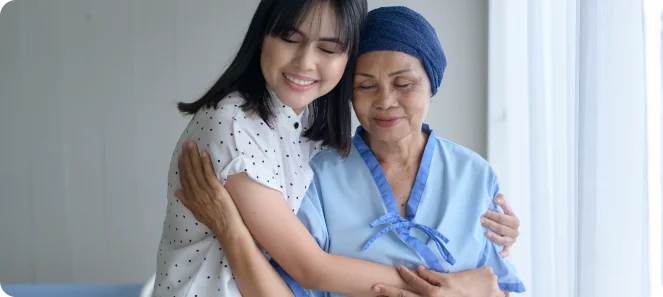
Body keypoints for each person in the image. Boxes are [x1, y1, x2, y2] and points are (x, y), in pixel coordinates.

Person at [173, 5, 525, 297]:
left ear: (432, 84)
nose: (386, 102)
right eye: (365, 85)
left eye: (403, 84)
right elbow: (307, 272)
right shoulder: (317, 171)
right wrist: (452, 289)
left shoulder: (475, 174)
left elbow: (502, 285)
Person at [153, 0, 368, 296]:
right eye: (290, 39)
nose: (305, 62)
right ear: (262, 35)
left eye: (328, 49)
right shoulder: (232, 123)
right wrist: (434, 288)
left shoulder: (303, 124)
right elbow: (312, 269)